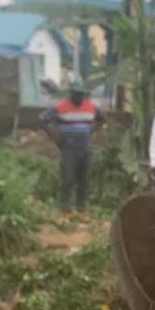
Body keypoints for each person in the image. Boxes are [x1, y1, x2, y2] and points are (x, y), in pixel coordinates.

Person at [39, 82, 104, 214]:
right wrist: (56, 137)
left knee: (84, 178)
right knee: (68, 177)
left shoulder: (91, 108)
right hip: (69, 146)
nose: (78, 97)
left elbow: (102, 119)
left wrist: (91, 129)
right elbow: (43, 119)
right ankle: (64, 206)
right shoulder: (61, 107)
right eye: (76, 94)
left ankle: (81, 206)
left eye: (81, 94)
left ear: (84, 95)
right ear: (71, 94)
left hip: (85, 146)